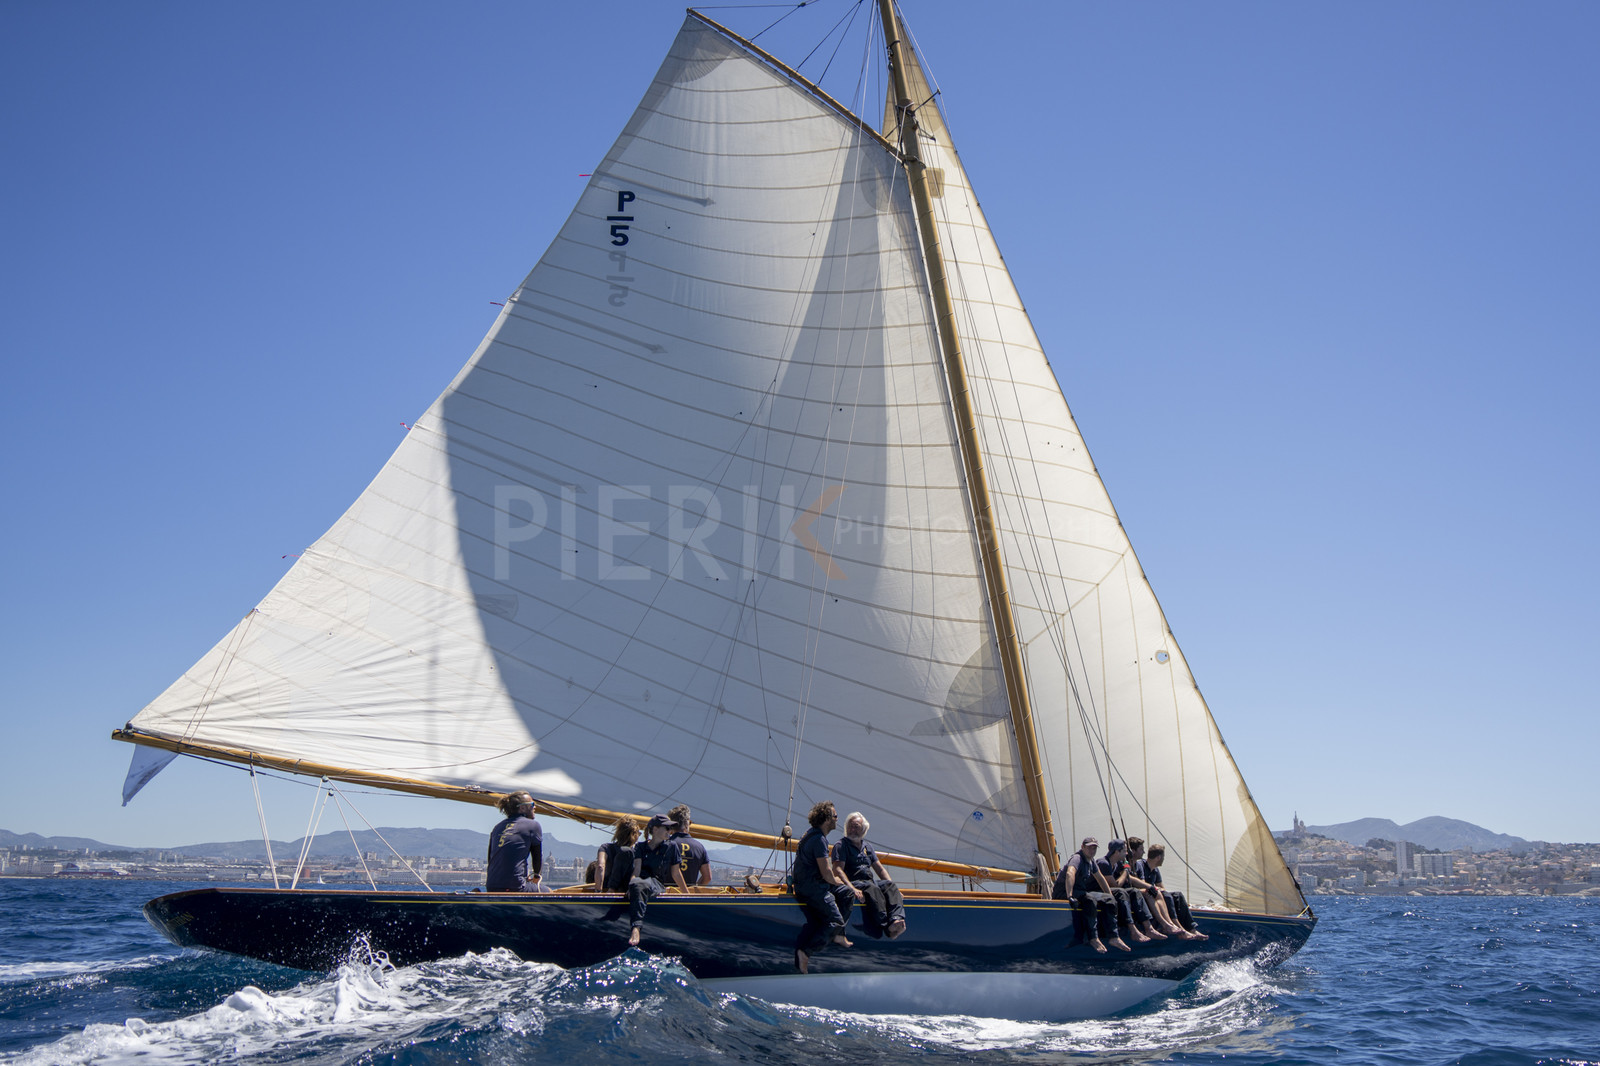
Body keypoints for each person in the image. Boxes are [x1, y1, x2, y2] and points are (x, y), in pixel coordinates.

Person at [792, 801, 856, 973]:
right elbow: (826, 872)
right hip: (812, 888)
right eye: (835, 816)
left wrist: (842, 885)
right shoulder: (819, 840)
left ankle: (839, 935)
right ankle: (805, 952)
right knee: (835, 920)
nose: (837, 819)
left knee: (848, 893)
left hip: (811, 883)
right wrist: (839, 881)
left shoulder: (812, 834)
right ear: (827, 819)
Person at [831, 812, 906, 939]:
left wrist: (896, 891)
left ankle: (896, 919)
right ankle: (886, 926)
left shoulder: (867, 847)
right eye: (849, 826)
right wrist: (852, 888)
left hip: (868, 881)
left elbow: (880, 869)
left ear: (864, 830)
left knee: (890, 885)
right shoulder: (841, 845)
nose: (852, 829)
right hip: (853, 882)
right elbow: (838, 870)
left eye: (856, 826)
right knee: (873, 889)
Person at [1052, 836, 1125, 952]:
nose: (1092, 851)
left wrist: (1110, 896)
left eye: (1094, 848)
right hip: (1064, 891)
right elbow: (1070, 874)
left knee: (1108, 899)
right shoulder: (1077, 858)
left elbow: (1100, 879)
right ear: (1082, 847)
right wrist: (1070, 896)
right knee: (1090, 900)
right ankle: (1093, 938)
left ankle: (1113, 936)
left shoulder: (1091, 861)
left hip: (1080, 892)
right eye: (1089, 848)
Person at [626, 814, 689, 947]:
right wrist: (631, 886)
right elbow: (636, 870)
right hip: (640, 883)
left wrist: (687, 896)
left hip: (657, 884)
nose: (669, 831)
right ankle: (636, 921)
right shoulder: (640, 847)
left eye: (670, 828)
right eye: (666, 828)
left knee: (641, 884)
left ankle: (636, 927)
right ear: (654, 829)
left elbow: (676, 873)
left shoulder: (671, 847)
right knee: (638, 883)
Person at [486, 791, 548, 892]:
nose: (535, 807)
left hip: (491, 887)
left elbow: (491, 859)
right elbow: (537, 856)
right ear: (522, 808)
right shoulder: (533, 825)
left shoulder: (497, 827)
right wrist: (536, 876)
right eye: (532, 804)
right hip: (516, 887)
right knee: (548, 891)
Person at [1127, 838, 1189, 938]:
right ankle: (1162, 925)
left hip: (1140, 891)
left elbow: (1143, 882)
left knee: (1173, 895)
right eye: (1141, 849)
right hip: (1132, 893)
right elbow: (1126, 879)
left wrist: (1153, 888)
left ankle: (1173, 925)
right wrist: (1151, 887)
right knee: (1154, 893)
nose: (1144, 852)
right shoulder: (1130, 863)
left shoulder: (1137, 865)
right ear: (1132, 851)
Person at [1145, 844, 1207, 940]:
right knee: (1167, 896)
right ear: (1158, 857)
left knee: (1178, 895)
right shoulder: (1141, 865)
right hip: (1148, 897)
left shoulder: (1155, 870)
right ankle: (1178, 928)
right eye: (1163, 857)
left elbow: (1161, 887)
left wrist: (1159, 889)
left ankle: (1191, 928)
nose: (1163, 859)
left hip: (1156, 894)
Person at [1097, 839, 1153, 943]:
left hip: (1110, 892)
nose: (1126, 854)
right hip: (1099, 893)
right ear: (1117, 852)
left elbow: (1127, 880)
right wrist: (1126, 871)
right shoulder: (1103, 863)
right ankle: (1133, 930)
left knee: (1135, 891)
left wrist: (1149, 887)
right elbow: (1115, 885)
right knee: (1121, 892)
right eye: (1124, 851)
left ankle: (1148, 928)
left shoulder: (1117, 864)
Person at [667, 804, 713, 887]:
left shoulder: (666, 844)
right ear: (686, 824)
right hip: (688, 898)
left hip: (665, 897)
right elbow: (707, 877)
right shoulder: (699, 847)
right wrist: (692, 891)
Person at [594, 816, 639, 894]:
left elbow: (600, 866)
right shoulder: (636, 852)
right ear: (634, 835)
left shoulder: (605, 848)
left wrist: (598, 891)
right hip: (625, 892)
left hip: (606, 890)